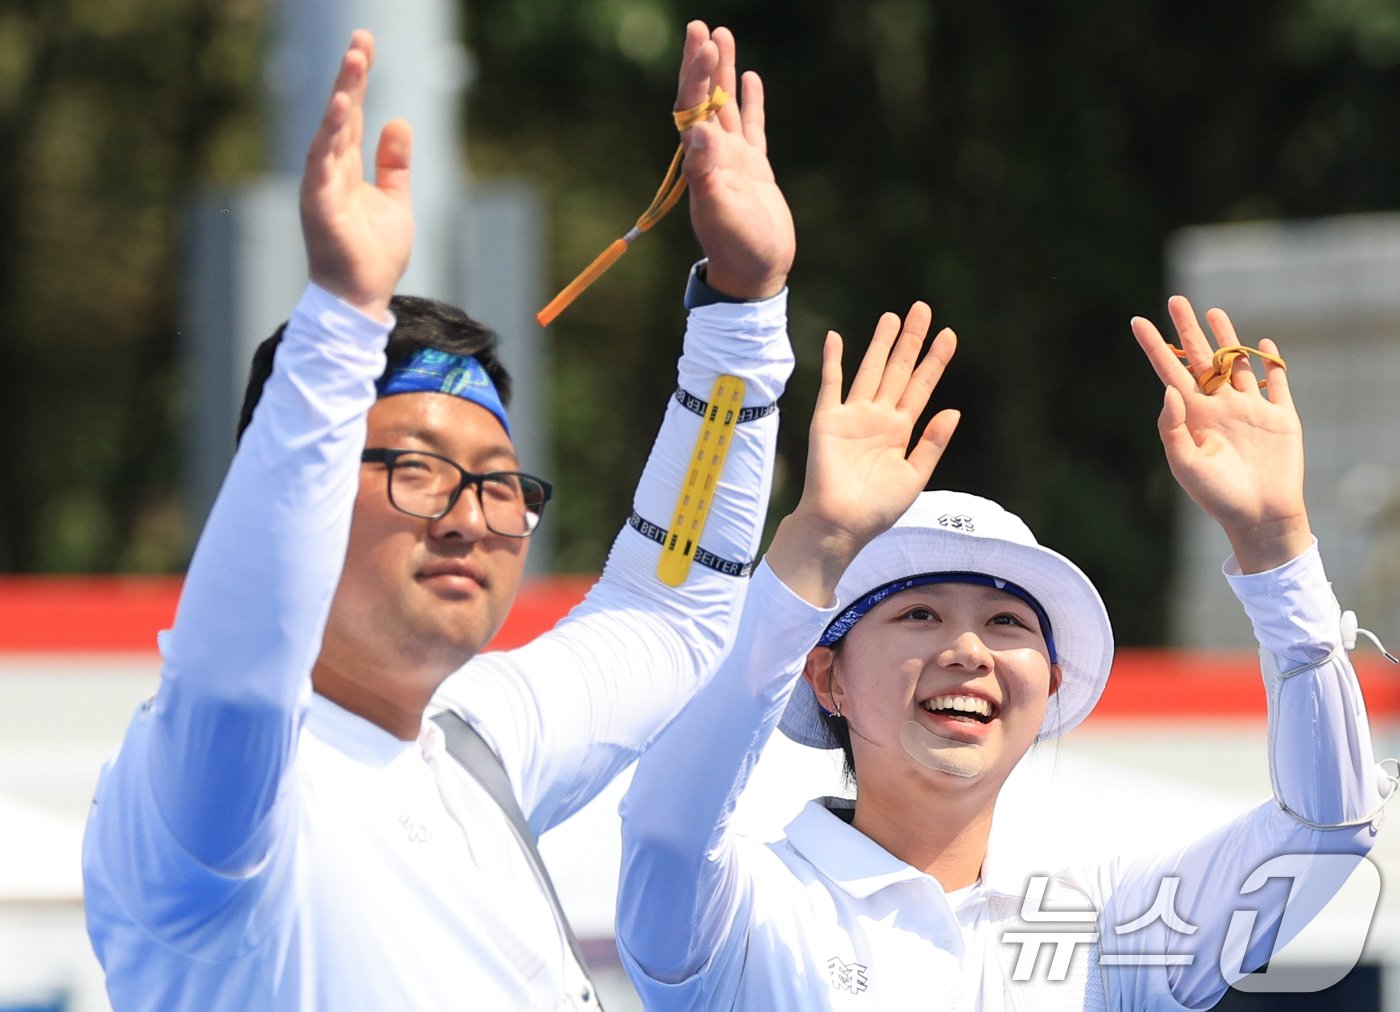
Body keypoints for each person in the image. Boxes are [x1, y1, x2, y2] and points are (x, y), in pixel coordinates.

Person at [83, 21, 795, 1010]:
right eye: (417, 470)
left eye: (499, 482)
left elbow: (668, 611)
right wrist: (338, 319)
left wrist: (743, 311)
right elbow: (237, 672)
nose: (468, 519)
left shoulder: (474, 741)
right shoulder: (210, 789)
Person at [616, 295, 1393, 1009]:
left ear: (1050, 686)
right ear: (828, 677)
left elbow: (1327, 828)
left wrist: (1274, 546)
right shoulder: (743, 906)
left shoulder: (1109, 927)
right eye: (919, 614)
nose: (967, 650)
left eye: (1008, 624)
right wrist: (815, 545)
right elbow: (667, 826)